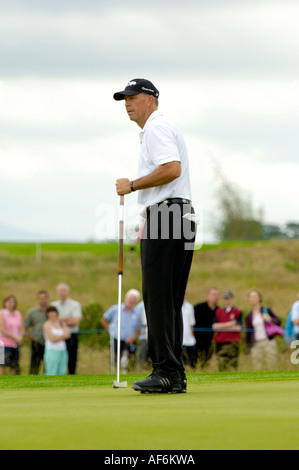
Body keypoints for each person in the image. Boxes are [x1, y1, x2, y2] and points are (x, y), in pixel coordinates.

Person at [114, 78, 196, 393]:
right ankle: (174, 374)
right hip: (179, 213)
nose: (127, 103)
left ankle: (165, 371)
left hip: (167, 214)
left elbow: (171, 168)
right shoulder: (161, 129)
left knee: (159, 297)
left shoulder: (156, 129)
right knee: (170, 300)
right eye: (124, 99)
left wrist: (132, 185)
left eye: (132, 97)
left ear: (150, 99)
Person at [101, 289, 141, 373]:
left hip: (129, 341)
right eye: (130, 298)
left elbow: (139, 329)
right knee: (115, 360)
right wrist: (110, 330)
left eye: (134, 299)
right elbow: (104, 319)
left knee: (130, 361)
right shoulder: (115, 309)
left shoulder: (137, 313)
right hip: (116, 339)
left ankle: (128, 373)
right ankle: (114, 373)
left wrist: (133, 338)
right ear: (125, 298)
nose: (131, 301)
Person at [245, 289, 282, 370]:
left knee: (271, 366)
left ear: (259, 298)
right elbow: (247, 333)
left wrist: (270, 319)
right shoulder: (249, 316)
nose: (252, 299)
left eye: (254, 296)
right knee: (257, 368)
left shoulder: (266, 310)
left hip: (268, 342)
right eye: (250, 297)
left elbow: (279, 321)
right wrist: (247, 350)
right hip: (256, 344)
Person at [51, 283, 82, 374]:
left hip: (71, 335)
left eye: (64, 290)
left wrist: (60, 320)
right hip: (57, 336)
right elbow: (51, 321)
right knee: (57, 359)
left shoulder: (75, 304)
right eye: (60, 291)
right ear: (57, 292)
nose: (62, 293)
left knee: (72, 360)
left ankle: (72, 377)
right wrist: (68, 318)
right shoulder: (53, 305)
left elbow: (75, 321)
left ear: (68, 292)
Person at [212, 290, 242, 372]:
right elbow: (214, 326)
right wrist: (230, 324)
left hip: (233, 343)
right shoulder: (219, 311)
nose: (227, 300)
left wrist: (221, 326)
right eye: (226, 298)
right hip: (220, 342)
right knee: (221, 366)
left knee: (232, 366)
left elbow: (238, 328)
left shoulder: (238, 311)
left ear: (232, 299)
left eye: (229, 298)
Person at [194, 288, 220, 368]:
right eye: (213, 295)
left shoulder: (219, 310)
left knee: (207, 363)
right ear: (208, 296)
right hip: (197, 341)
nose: (215, 297)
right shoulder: (198, 308)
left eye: (217, 295)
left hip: (211, 342)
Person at [24, 290, 49, 374]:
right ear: (38, 299)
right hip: (36, 343)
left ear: (47, 299)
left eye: (44, 298)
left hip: (50, 343)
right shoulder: (32, 312)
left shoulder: (52, 311)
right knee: (34, 367)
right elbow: (25, 327)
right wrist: (31, 339)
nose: (42, 300)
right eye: (40, 298)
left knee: (48, 366)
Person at [0, 295, 24, 375]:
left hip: (14, 344)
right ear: (5, 303)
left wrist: (20, 337)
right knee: (2, 365)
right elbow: (2, 329)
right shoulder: (2, 313)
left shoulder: (18, 314)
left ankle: (11, 385)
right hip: (3, 344)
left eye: (13, 302)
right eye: (9, 301)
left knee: (13, 366)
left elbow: (22, 328)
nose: (11, 304)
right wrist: (15, 337)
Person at [43, 306, 71, 376]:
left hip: (62, 350)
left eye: (53, 312)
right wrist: (62, 336)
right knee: (52, 371)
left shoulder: (61, 323)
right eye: (50, 312)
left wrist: (58, 337)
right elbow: (52, 339)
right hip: (52, 350)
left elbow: (68, 334)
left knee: (62, 371)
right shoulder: (46, 324)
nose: (52, 314)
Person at [182, 294, 196, 368]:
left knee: (189, 361)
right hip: (179, 339)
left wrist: (192, 336)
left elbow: (191, 323)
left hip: (189, 339)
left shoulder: (190, 307)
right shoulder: (174, 306)